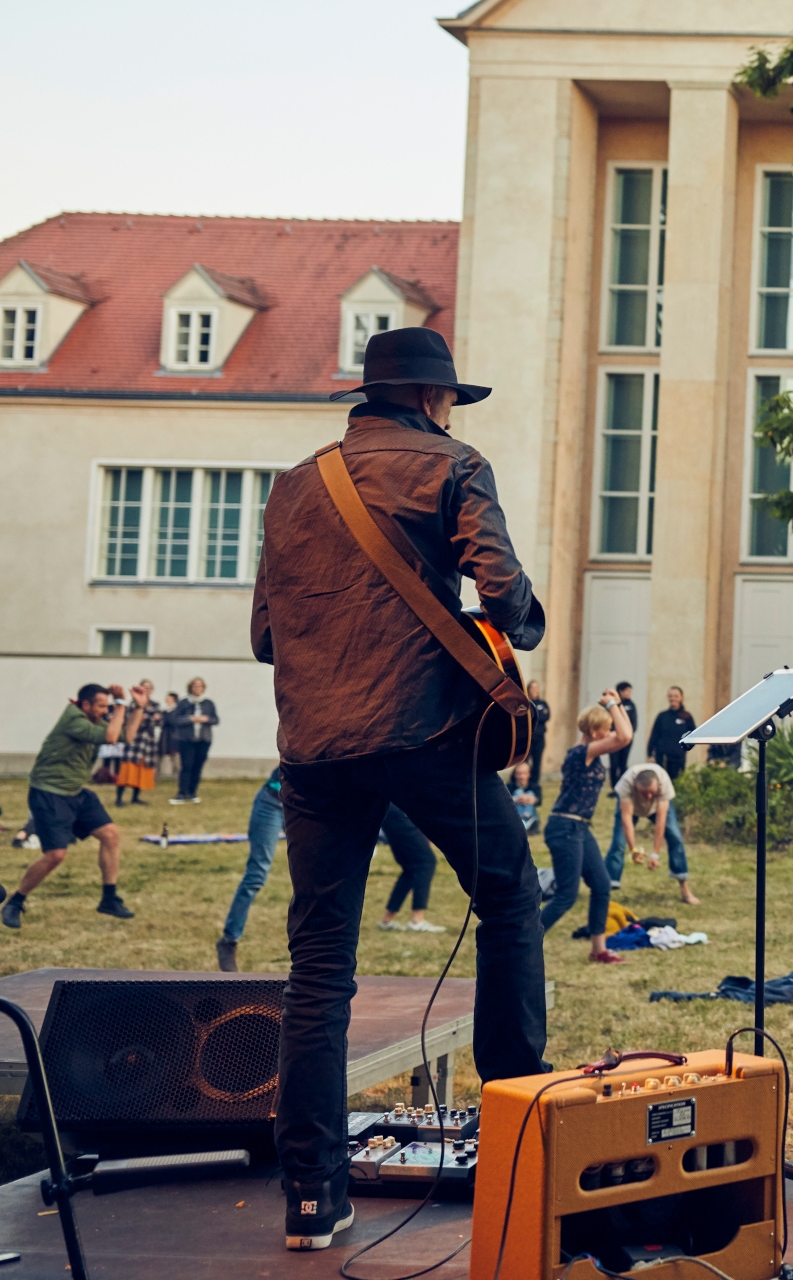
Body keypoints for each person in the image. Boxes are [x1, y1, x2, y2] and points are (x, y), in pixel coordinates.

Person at [253, 326, 549, 1251]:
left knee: (319, 969)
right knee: (509, 898)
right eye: (451, 399)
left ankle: (311, 1197)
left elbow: (266, 634)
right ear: (432, 399)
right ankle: (512, 1144)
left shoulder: (295, 485)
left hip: (313, 750)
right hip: (423, 732)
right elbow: (502, 594)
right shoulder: (454, 465)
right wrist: (520, 624)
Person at [1, 683, 146, 930]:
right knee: (56, 855)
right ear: (86, 704)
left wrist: (139, 707)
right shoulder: (74, 720)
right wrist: (121, 703)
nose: (105, 711)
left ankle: (109, 899)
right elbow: (111, 736)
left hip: (76, 792)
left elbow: (125, 736)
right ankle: (15, 902)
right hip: (49, 793)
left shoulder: (92, 721)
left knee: (110, 834)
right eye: (102, 706)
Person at [541, 695, 634, 963]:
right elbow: (625, 737)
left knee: (602, 885)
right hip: (565, 827)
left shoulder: (587, 751)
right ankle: (521, 942)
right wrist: (611, 706)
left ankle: (598, 950)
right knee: (566, 895)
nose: (611, 732)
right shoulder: (582, 752)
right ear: (595, 732)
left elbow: (626, 734)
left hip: (579, 827)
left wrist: (616, 703)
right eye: (606, 728)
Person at [218, 768, 285, 972]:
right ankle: (229, 941)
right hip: (272, 803)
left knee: (313, 878)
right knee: (256, 876)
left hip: (306, 809)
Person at [608, 760, 696, 905]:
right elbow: (627, 820)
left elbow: (661, 822)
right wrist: (633, 850)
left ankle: (685, 889)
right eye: (644, 793)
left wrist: (655, 854)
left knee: (675, 837)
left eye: (652, 793)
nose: (648, 797)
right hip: (631, 808)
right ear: (636, 787)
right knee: (618, 842)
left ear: (657, 787)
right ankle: (607, 890)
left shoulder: (664, 782)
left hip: (657, 809)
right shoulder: (625, 784)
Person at [376, 806, 443, 933]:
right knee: (426, 862)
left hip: (392, 810)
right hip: (398, 810)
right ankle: (417, 920)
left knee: (410, 868)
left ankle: (387, 919)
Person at [167, 677, 220, 804]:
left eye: (200, 686)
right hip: (187, 740)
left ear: (203, 688)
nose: (197, 688)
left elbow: (216, 720)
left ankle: (192, 792)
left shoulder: (208, 703)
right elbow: (174, 720)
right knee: (186, 766)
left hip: (203, 739)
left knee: (197, 766)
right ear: (190, 687)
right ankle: (182, 793)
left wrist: (206, 719)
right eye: (195, 686)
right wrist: (190, 719)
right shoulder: (184, 703)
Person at [114, 677, 162, 806]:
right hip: (134, 741)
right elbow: (132, 720)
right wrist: (148, 718)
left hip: (148, 743)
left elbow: (160, 721)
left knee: (142, 770)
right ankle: (119, 799)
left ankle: (135, 798)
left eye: (149, 688)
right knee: (127, 770)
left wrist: (145, 718)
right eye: (144, 687)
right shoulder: (133, 704)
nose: (147, 690)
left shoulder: (155, 705)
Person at [645, 686, 698, 780]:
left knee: (677, 782)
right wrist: (650, 754)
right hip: (662, 758)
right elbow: (654, 736)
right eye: (670, 696)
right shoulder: (662, 716)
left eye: (676, 696)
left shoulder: (686, 717)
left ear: (681, 697)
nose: (673, 698)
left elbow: (694, 735)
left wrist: (683, 749)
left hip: (678, 759)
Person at [608, 682, 639, 787]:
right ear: (620, 691)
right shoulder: (612, 705)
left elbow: (634, 724)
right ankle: (614, 787)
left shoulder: (631, 705)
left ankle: (622, 787)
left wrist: (627, 733)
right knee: (614, 764)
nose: (629, 693)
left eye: (630, 691)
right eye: (627, 691)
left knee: (623, 764)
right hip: (614, 738)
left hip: (626, 740)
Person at [524, 680, 550, 787]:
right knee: (524, 761)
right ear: (528, 689)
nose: (534, 690)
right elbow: (526, 718)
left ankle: (534, 784)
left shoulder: (543, 703)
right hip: (528, 738)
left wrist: (535, 715)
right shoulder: (526, 703)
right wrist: (538, 715)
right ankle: (522, 781)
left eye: (536, 687)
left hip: (540, 738)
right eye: (532, 687)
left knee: (537, 762)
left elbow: (546, 717)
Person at [508, 760, 540, 834]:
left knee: (530, 793)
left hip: (532, 815)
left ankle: (526, 819)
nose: (521, 776)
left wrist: (532, 799)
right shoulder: (509, 787)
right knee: (518, 792)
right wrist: (516, 799)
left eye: (524, 773)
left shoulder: (535, 787)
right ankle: (524, 820)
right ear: (515, 774)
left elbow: (539, 801)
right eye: (519, 774)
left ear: (529, 774)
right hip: (516, 815)